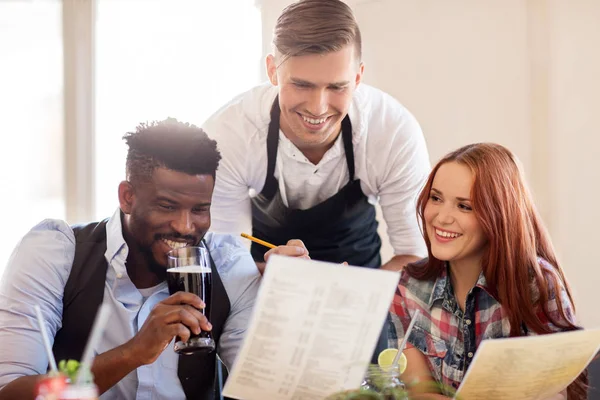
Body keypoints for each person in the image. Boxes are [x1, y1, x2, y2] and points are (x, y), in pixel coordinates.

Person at [0, 119, 261, 400]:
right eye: (167, 206)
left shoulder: (228, 263)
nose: (186, 226)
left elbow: (260, 387)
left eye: (200, 209)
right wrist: (133, 352)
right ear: (127, 197)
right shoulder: (54, 252)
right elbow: (10, 391)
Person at [201, 0, 430, 274]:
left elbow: (415, 255)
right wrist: (270, 274)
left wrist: (355, 293)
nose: (317, 108)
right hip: (261, 284)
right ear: (273, 70)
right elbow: (223, 258)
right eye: (301, 84)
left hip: (364, 283)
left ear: (358, 78)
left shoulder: (393, 131)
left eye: (337, 86)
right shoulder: (228, 134)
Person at [389, 143, 587, 399]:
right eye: (436, 198)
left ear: (499, 215)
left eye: (464, 206)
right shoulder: (408, 286)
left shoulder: (536, 284)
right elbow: (420, 393)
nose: (442, 217)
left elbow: (558, 392)